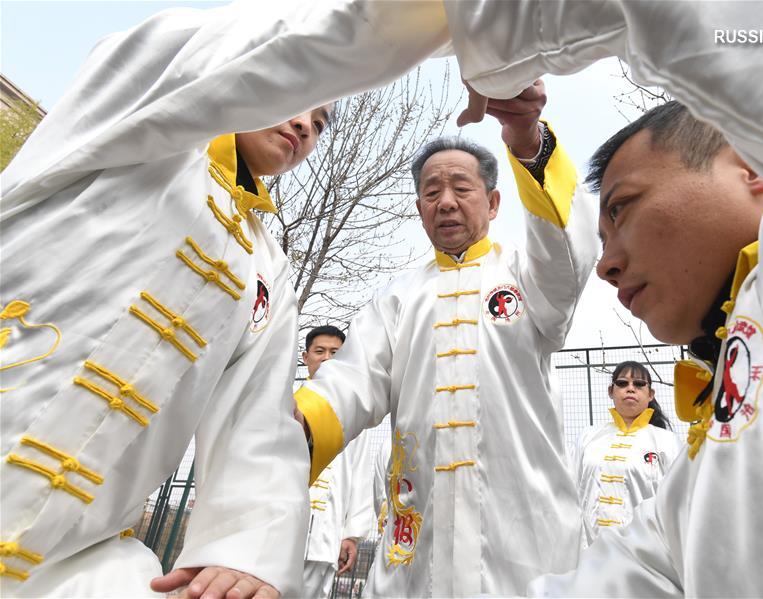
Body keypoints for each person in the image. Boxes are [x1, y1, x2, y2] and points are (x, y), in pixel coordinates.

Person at [435, 3, 763, 595]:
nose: (604, 264)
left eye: (623, 207)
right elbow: (641, 569)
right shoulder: (695, 480)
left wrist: (495, 34)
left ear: (753, 161)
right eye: (600, 240)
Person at [0, 0, 460, 594]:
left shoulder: (267, 271)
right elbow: (231, 54)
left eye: (320, 124)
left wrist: (246, 548)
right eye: (300, 100)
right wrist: (456, 22)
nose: (304, 126)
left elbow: (257, 417)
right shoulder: (131, 137)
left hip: (66, 563)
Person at [294, 81, 599, 596]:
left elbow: (570, 257)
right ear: (419, 210)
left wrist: (527, 140)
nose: (447, 202)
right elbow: (349, 383)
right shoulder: (396, 299)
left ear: (495, 201)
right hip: (418, 543)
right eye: (432, 192)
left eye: (462, 188)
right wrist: (297, 426)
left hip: (525, 540)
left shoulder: (529, 281)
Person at [299, 326, 373, 599]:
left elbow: (361, 478)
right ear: (306, 357)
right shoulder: (286, 403)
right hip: (276, 533)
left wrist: (352, 535)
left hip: (324, 540)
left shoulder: (355, 417)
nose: (327, 358)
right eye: (320, 351)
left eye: (335, 353)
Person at [571, 361, 680, 546]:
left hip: (646, 555)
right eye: (622, 383)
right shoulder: (588, 438)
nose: (630, 389)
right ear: (611, 391)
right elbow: (570, 493)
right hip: (590, 554)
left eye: (638, 384)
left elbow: (679, 502)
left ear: (650, 394)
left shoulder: (667, 441)